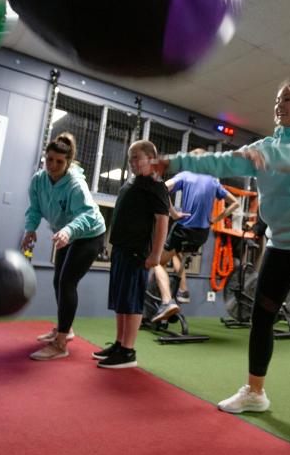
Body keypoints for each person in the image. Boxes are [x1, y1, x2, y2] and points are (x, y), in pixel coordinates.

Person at [152, 81, 290, 455]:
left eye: (287, 100)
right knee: (261, 317)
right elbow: (221, 163)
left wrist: (269, 155)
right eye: (276, 100)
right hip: (281, 242)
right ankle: (256, 393)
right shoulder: (264, 147)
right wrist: (176, 162)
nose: (279, 105)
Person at [23, 133, 107, 361]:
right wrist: (29, 230)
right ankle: (65, 328)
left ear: (68, 163)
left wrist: (69, 231)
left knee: (67, 281)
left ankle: (61, 344)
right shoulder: (39, 180)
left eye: (59, 162)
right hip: (65, 234)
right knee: (57, 281)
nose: (52, 165)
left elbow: (88, 214)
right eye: (49, 159)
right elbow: (35, 208)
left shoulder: (75, 184)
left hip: (89, 234)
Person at [93, 140, 170, 369]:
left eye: (136, 157)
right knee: (120, 300)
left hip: (137, 252)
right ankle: (119, 344)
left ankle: (128, 351)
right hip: (121, 249)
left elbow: (162, 221)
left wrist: (156, 255)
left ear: (151, 158)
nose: (131, 162)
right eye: (130, 158)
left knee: (132, 300)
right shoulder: (133, 182)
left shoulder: (155, 185)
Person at [150, 161, 240, 322]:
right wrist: (216, 219)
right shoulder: (213, 181)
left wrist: (173, 213)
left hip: (184, 229)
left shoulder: (186, 175)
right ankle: (182, 290)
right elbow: (235, 203)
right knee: (175, 254)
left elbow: (161, 188)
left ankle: (166, 301)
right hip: (201, 235)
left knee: (157, 262)